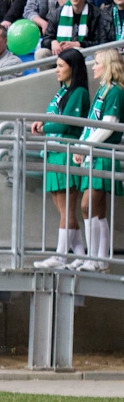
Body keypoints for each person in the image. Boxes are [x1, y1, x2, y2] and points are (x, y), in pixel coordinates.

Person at [30, 49, 90, 270]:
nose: (57, 70)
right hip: (54, 152)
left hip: (67, 152)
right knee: (64, 210)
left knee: (67, 210)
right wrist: (44, 125)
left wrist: (44, 127)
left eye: (61, 66)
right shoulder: (62, 91)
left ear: (73, 68)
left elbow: (66, 124)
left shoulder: (79, 92)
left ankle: (61, 256)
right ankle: (80, 256)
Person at [70, 48, 124, 272]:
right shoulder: (103, 89)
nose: (93, 67)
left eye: (97, 63)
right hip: (94, 154)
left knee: (87, 206)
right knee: (97, 210)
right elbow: (92, 124)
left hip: (102, 154)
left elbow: (109, 125)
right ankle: (100, 260)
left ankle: (94, 259)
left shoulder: (116, 91)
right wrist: (82, 146)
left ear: (108, 65)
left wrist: (85, 147)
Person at [38, 0, 107, 58]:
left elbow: (100, 42)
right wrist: (52, 42)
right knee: (41, 53)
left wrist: (79, 44)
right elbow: (46, 40)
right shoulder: (56, 14)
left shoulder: (97, 14)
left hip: (83, 52)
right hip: (60, 51)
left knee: (78, 52)